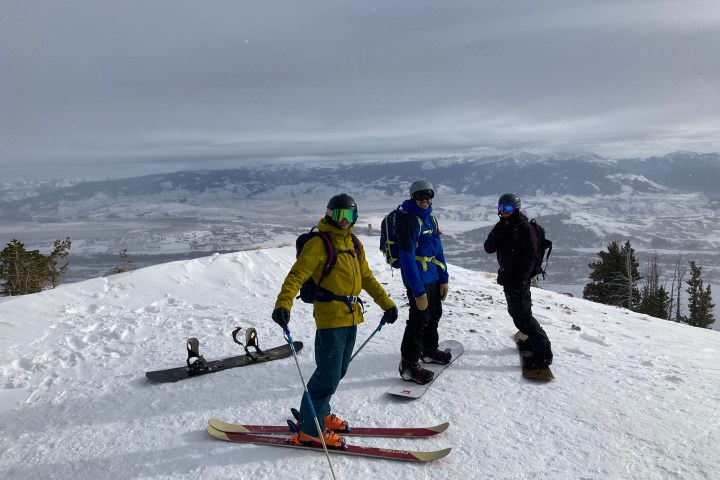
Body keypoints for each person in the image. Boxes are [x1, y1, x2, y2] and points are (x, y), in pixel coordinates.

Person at [272, 193, 398, 448]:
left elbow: (367, 278)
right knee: (327, 374)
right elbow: (297, 275)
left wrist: (387, 303)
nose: (344, 220)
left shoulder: (354, 243)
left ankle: (322, 413)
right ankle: (309, 429)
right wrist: (283, 303)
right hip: (330, 317)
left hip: (352, 316)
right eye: (339, 215)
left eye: (349, 215)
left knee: (338, 371)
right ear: (329, 215)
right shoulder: (320, 243)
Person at [483, 193, 553, 367]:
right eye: (501, 208)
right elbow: (488, 248)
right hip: (508, 277)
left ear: (516, 208)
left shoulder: (524, 228)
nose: (504, 211)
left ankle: (544, 352)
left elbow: (529, 258)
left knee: (523, 317)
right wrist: (499, 228)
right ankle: (531, 341)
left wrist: (520, 283)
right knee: (517, 314)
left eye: (508, 208)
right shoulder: (503, 225)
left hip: (518, 280)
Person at [396, 180, 450, 385]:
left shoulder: (431, 219)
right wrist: (417, 291)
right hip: (417, 279)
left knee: (434, 315)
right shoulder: (408, 221)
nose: (425, 199)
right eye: (420, 196)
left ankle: (428, 351)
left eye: (428, 195)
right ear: (413, 197)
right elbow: (407, 258)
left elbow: (438, 250)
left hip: (433, 277)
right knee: (418, 321)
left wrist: (444, 279)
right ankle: (408, 365)